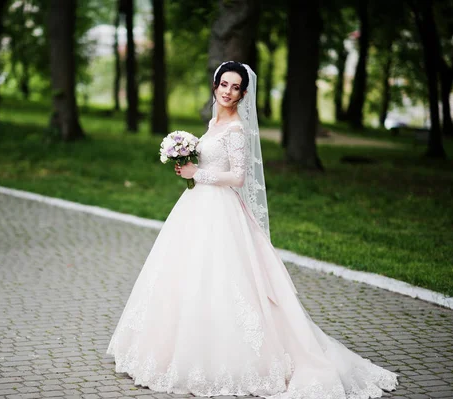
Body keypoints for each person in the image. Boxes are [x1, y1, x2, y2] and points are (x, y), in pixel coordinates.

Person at [107, 61, 398, 398]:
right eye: (224, 84)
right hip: (196, 208)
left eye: (235, 87)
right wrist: (187, 162)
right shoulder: (214, 122)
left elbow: (238, 177)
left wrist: (196, 174)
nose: (228, 92)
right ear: (215, 85)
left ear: (243, 93)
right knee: (183, 275)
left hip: (220, 209)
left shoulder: (236, 130)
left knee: (225, 279)